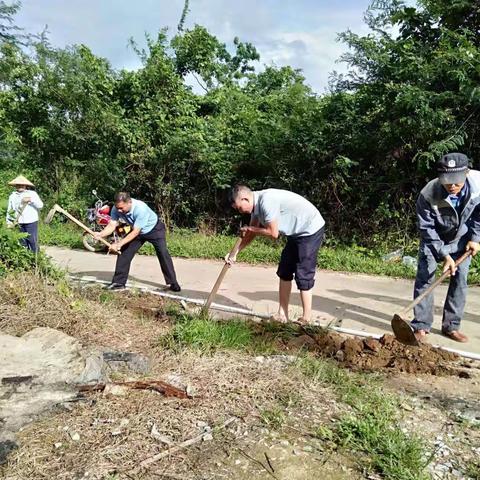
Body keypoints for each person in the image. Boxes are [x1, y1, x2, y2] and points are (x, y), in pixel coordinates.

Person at [227, 185, 325, 324]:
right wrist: (234, 253)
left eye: (239, 208)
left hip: (310, 229)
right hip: (295, 232)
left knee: (303, 273)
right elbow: (251, 234)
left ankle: (306, 318)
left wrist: (251, 228)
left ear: (245, 199)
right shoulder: (255, 205)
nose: (240, 211)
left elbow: (273, 234)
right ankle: (282, 315)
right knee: (284, 270)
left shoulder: (266, 201)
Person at [412, 152, 480, 343]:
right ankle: (421, 325)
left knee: (460, 281)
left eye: (456, 181)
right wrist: (443, 254)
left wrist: (475, 238)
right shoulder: (428, 193)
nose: (452, 185)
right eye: (447, 181)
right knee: (426, 278)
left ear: (466, 173)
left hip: (462, 239)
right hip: (434, 239)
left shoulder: (478, 187)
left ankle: (451, 326)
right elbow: (427, 227)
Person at [94, 192, 181, 292]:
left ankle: (173, 283)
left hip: (154, 230)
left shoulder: (140, 208)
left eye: (121, 208)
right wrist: (100, 234)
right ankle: (118, 283)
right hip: (137, 230)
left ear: (129, 202)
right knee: (124, 252)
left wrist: (118, 244)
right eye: (117, 208)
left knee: (163, 253)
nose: (119, 210)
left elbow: (135, 232)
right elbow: (112, 225)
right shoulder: (116, 208)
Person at [6, 175, 43, 252]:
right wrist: (9, 222)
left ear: (26, 185)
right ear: (15, 185)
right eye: (18, 184)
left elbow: (40, 205)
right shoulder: (12, 196)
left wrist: (30, 200)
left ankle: (37, 259)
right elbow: (10, 210)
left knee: (32, 241)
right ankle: (27, 260)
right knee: (22, 242)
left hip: (31, 222)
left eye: (22, 184)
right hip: (18, 222)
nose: (20, 186)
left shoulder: (32, 194)